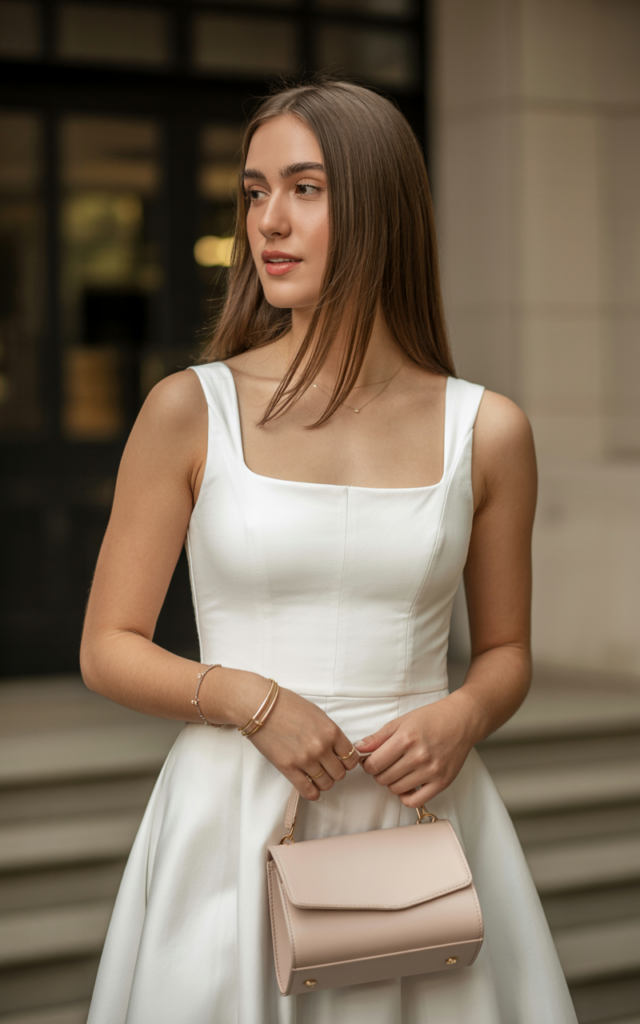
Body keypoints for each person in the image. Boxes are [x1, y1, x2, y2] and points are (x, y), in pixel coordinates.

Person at [82, 80, 577, 1023]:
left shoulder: (489, 430)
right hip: (232, 813)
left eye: (305, 188)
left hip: (421, 816)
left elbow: (507, 654)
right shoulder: (191, 409)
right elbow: (107, 644)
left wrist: (464, 715)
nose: (268, 220)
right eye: (254, 191)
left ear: (380, 207)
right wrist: (250, 700)